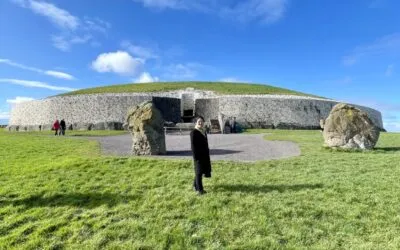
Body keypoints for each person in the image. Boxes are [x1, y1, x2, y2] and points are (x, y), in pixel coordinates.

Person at [190, 116, 212, 195]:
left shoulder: (203, 131)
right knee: (199, 173)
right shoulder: (194, 132)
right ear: (195, 123)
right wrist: (196, 157)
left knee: (200, 171)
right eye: (199, 121)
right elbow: (193, 146)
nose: (200, 123)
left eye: (202, 121)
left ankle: (195, 185)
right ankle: (200, 190)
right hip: (198, 156)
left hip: (204, 155)